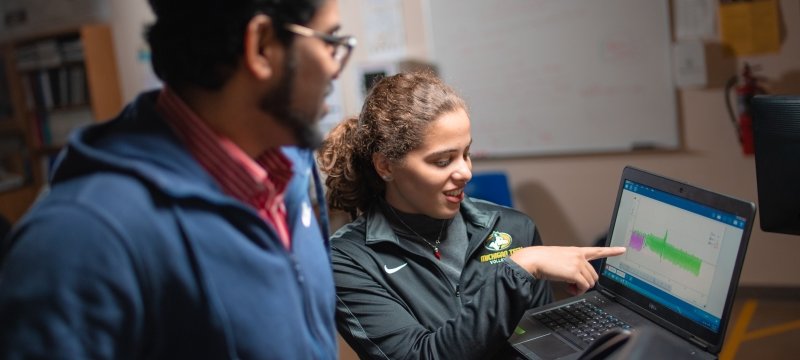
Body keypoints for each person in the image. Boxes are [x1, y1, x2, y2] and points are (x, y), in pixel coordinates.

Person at [0, 0, 355, 358]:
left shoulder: (288, 170)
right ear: (260, 46)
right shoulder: (82, 241)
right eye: (330, 40)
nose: (335, 66)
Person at [317, 71, 626, 359]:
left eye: (466, 153)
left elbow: (541, 347)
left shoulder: (514, 229)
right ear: (385, 165)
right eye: (442, 161)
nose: (465, 171)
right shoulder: (348, 261)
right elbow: (421, 354)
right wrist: (519, 268)